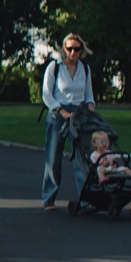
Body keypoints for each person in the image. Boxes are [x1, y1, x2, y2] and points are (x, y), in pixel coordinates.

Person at [41, 34, 95, 209]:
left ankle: (86, 198)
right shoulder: (54, 67)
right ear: (64, 49)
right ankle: (49, 197)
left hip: (79, 112)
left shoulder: (84, 69)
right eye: (69, 48)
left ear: (81, 50)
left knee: (82, 157)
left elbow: (89, 95)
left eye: (77, 49)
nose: (73, 52)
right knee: (53, 156)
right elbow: (46, 94)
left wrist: (89, 111)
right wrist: (61, 110)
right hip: (58, 113)